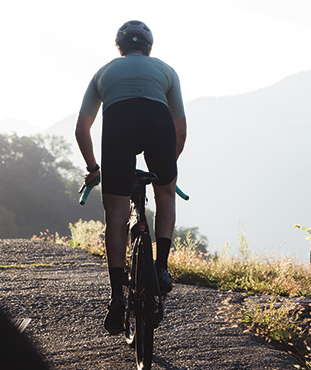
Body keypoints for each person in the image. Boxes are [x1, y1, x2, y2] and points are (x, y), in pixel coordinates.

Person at [75, 20, 187, 335]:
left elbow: (81, 129)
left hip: (118, 126)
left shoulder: (103, 73)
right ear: (148, 48)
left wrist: (93, 168)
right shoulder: (166, 71)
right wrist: (166, 169)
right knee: (164, 194)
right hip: (158, 125)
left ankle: (116, 298)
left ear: (119, 48)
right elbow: (180, 130)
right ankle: (162, 268)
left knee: (116, 212)